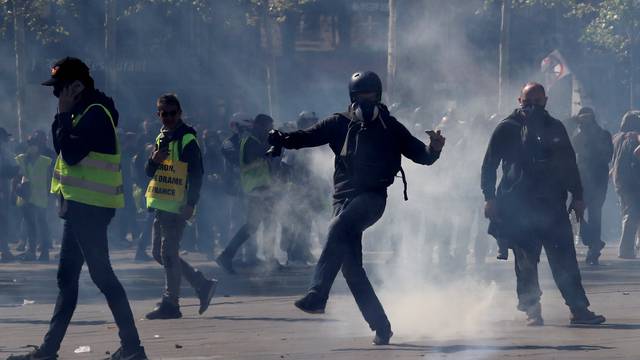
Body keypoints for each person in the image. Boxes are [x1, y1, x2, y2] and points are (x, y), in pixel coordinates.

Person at [268, 71, 445, 345]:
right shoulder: (339, 123)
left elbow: (422, 156)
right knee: (351, 269)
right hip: (342, 200)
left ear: (379, 96)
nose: (366, 101)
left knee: (337, 227)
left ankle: (317, 295)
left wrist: (435, 148)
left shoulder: (391, 126)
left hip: (372, 199)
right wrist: (282, 138)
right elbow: (306, 137)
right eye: (360, 96)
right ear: (352, 98)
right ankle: (382, 327)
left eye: (370, 95)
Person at [7, 57, 148, 360]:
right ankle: (49, 349)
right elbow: (65, 149)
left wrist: (62, 115)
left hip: (90, 209)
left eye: (59, 89)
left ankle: (133, 348)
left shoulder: (94, 114)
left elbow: (68, 154)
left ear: (77, 86)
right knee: (66, 279)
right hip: (79, 207)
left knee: (102, 276)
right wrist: (64, 117)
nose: (55, 95)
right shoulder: (83, 111)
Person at [481, 82, 605, 327]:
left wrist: (578, 197)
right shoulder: (507, 128)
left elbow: (570, 165)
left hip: (552, 207)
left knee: (565, 260)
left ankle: (579, 310)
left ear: (546, 101)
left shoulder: (556, 128)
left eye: (537, 101)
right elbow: (489, 165)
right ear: (519, 100)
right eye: (528, 101)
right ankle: (532, 310)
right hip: (519, 207)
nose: (533, 106)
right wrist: (489, 198)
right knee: (526, 263)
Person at [144, 93, 217, 319]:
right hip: (160, 203)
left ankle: (171, 303)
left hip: (177, 205)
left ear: (180, 113)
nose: (168, 117)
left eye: (172, 113)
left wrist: (190, 204)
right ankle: (201, 284)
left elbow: (197, 174)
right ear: (158, 115)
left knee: (167, 253)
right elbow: (148, 173)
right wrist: (153, 160)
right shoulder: (160, 138)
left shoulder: (187, 139)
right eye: (163, 114)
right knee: (159, 253)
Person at [216, 114, 280, 273]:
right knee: (252, 226)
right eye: (268, 128)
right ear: (259, 127)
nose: (270, 131)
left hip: (262, 189)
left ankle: (229, 256)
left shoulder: (256, 141)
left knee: (256, 225)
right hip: (256, 191)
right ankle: (227, 256)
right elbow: (260, 155)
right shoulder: (250, 142)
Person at [569, 107, 613, 265]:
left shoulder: (603, 135)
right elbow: (571, 148)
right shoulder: (578, 135)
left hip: (598, 180)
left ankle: (593, 249)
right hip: (581, 179)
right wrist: (575, 124)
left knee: (595, 214)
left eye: (587, 118)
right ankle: (592, 241)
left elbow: (608, 156)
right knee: (574, 213)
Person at [13, 132, 53, 262]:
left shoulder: (46, 161)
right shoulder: (20, 159)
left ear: (39, 146)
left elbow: (51, 179)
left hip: (41, 198)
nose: (32, 147)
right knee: (30, 226)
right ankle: (31, 252)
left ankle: (44, 252)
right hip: (26, 198)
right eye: (30, 144)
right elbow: (15, 177)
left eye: (34, 145)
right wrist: (16, 190)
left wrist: (52, 195)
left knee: (42, 225)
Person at [611, 110, 640, 259]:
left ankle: (631, 247)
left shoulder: (617, 138)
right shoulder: (632, 139)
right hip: (632, 182)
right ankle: (626, 250)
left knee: (628, 213)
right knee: (632, 214)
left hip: (620, 181)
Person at [0, 127, 17, 262]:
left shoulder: (5, 152)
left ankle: (4, 250)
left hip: (3, 192)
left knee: (4, 222)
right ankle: (4, 251)